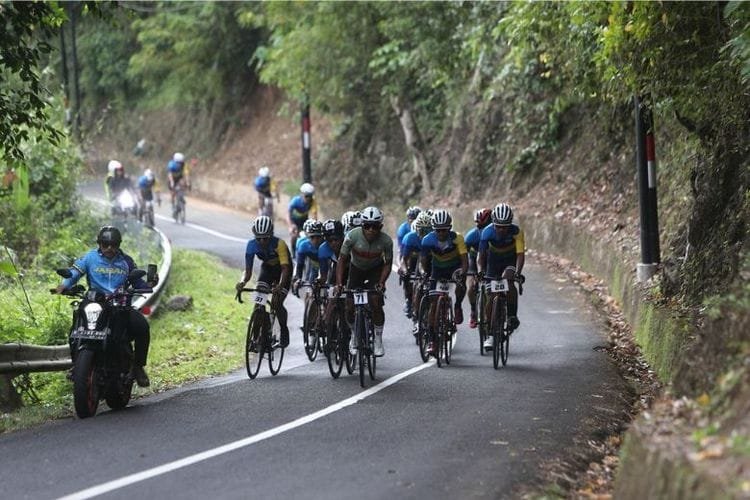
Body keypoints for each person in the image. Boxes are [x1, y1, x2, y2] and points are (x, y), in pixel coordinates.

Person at [53, 226, 157, 387]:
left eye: (113, 245)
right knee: (75, 326)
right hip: (94, 302)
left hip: (119, 305)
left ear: (119, 244)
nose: (109, 248)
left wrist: (150, 283)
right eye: (105, 244)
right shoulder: (89, 258)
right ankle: (77, 365)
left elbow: (139, 282)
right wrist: (63, 286)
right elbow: (74, 273)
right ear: (99, 243)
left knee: (142, 327)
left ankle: (138, 367)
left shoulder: (126, 261)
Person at [335, 206, 393, 357]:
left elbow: (387, 264)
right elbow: (342, 260)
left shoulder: (386, 241)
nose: (371, 230)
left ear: (380, 226)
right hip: (356, 270)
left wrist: (382, 282)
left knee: (375, 301)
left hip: (375, 270)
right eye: (367, 226)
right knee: (349, 305)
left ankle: (378, 339)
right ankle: (354, 334)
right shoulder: (352, 236)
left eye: (375, 226)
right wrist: (340, 283)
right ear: (362, 225)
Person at [235, 216, 292, 348]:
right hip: (267, 269)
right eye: (258, 238)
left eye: (265, 238)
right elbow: (248, 272)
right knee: (258, 301)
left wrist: (280, 285)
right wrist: (242, 282)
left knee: (277, 303)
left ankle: (284, 330)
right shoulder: (251, 245)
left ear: (271, 235)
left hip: (283, 271)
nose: (261, 241)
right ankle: (255, 339)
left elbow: (285, 269)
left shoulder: (280, 244)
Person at [477, 203, 525, 350]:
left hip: (509, 262)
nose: (501, 230)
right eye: (498, 226)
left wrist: (517, 272)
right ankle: (490, 333)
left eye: (505, 227)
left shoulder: (516, 232)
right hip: (493, 263)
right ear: (493, 224)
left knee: (508, 281)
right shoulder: (487, 232)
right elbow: (481, 255)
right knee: (491, 296)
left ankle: (511, 315)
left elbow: (520, 255)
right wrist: (480, 270)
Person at [419, 209, 468, 353]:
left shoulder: (457, 238)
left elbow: (465, 261)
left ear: (449, 228)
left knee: (461, 282)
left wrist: (462, 273)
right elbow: (423, 261)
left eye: (444, 230)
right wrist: (423, 273)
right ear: (434, 230)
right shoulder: (427, 240)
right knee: (434, 303)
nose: (441, 233)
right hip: (437, 269)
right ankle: (433, 341)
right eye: (438, 230)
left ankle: (457, 305)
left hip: (454, 267)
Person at [399, 211, 432, 332]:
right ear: (416, 229)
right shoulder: (410, 237)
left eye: (427, 231)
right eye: (422, 231)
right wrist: (404, 270)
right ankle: (416, 317)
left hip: (430, 260)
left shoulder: (433, 238)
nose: (424, 234)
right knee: (416, 284)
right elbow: (403, 259)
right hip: (415, 260)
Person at [464, 208, 492, 328]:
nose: (482, 229)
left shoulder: (495, 233)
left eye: (485, 225)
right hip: (474, 261)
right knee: (471, 286)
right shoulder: (471, 236)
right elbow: (463, 255)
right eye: (478, 226)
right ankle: (473, 311)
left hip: (491, 261)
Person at [292, 220, 324, 295]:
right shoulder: (303, 245)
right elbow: (299, 265)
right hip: (315, 267)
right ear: (308, 237)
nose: (315, 240)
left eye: (318, 237)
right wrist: (298, 279)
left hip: (327, 268)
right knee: (310, 291)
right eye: (312, 237)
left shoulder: (328, 245)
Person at [287, 182, 318, 258]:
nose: (308, 198)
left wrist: (314, 224)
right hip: (294, 221)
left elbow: (314, 215)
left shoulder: (312, 202)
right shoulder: (295, 201)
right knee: (294, 235)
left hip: (304, 221)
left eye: (310, 196)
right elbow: (288, 214)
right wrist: (291, 225)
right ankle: (293, 253)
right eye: (306, 196)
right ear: (301, 194)